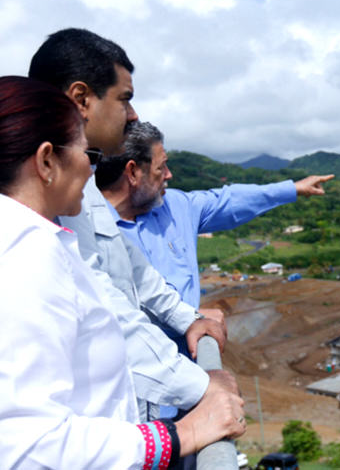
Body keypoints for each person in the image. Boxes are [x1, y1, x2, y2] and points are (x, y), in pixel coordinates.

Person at [0, 75, 246, 468]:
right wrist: (181, 434)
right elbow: (25, 444)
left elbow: (132, 270)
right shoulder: (25, 257)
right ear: (47, 161)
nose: (91, 172)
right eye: (88, 155)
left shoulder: (39, 239)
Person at [28, 28, 235, 421]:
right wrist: (200, 386)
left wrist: (188, 318)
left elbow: (132, 268)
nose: (134, 115)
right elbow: (103, 303)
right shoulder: (38, 198)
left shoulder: (83, 185)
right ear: (81, 99)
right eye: (125, 99)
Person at [95, 120, 333, 417]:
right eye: (161, 168)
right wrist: (190, 315)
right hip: (135, 406)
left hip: (192, 390)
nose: (169, 175)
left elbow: (227, 200)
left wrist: (291, 189)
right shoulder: (87, 231)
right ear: (132, 172)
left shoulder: (174, 207)